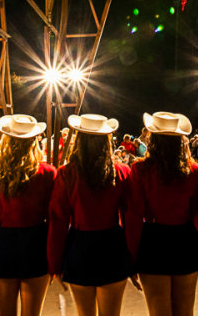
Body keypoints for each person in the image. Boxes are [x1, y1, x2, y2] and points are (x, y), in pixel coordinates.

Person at [48, 113, 131, 316]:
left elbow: (58, 220)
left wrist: (54, 262)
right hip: (112, 244)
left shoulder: (68, 173)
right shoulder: (120, 172)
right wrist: (133, 257)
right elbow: (131, 217)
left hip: (80, 246)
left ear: (79, 140)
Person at [0, 114, 54, 316]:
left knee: (5, 312)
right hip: (37, 242)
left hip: (4, 243)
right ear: (34, 141)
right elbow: (55, 218)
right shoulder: (47, 173)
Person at [126, 112, 198, 316]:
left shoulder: (140, 170)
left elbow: (134, 215)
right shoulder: (194, 171)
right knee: (185, 311)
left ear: (152, 140)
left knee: (159, 311)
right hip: (185, 239)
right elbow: (197, 213)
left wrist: (131, 257)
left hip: (153, 241)